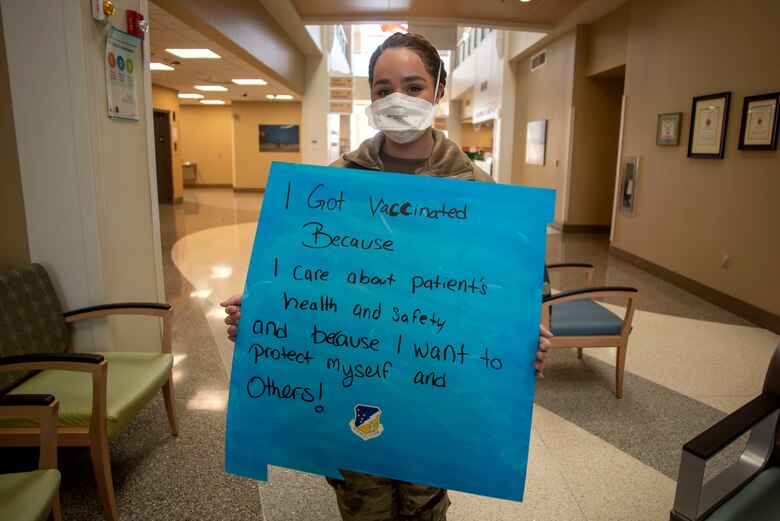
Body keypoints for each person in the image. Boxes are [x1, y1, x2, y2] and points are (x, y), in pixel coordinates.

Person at [221, 32, 553, 521]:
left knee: (425, 500)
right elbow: (304, 278)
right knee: (362, 499)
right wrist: (262, 315)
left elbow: (516, 293)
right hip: (354, 375)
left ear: (439, 90)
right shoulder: (334, 185)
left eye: (413, 86)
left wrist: (528, 338)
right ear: (370, 97)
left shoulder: (481, 194)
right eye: (383, 88)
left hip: (437, 381)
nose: (398, 99)